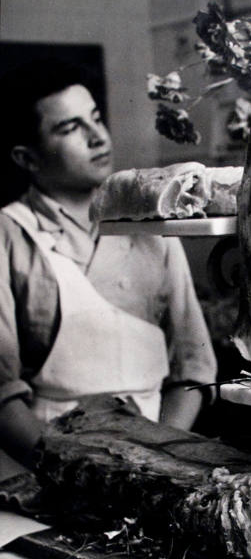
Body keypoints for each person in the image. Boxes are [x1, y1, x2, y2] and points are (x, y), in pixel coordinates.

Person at [0, 59, 217, 480]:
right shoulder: (10, 233)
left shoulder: (154, 224)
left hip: (154, 459)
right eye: (69, 128)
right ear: (26, 158)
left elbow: (194, 369)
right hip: (42, 469)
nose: (97, 136)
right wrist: (75, 473)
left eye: (95, 119)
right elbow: (1, 395)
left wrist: (152, 464)